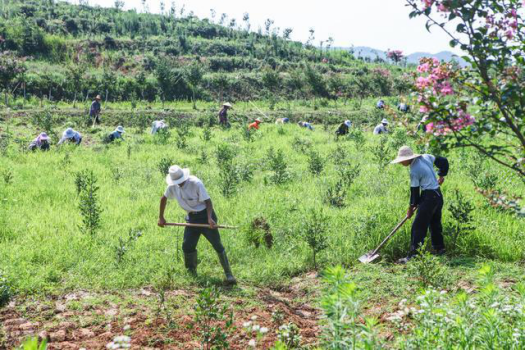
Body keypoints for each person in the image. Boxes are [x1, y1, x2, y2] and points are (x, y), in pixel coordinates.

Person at [158, 165, 237, 285]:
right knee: (187, 246)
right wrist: (161, 217)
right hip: (191, 218)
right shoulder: (172, 187)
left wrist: (210, 218)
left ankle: (228, 274)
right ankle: (192, 272)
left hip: (205, 216)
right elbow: (163, 199)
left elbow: (208, 201)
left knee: (217, 244)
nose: (179, 184)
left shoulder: (196, 183)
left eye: (181, 181)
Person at [390, 146, 449, 264]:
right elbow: (443, 161)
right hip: (437, 195)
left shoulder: (414, 170)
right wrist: (441, 175)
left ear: (409, 158)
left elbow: (415, 191)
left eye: (402, 160)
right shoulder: (426, 156)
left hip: (429, 197)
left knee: (418, 227)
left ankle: (413, 257)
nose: (401, 163)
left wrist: (411, 208)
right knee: (435, 223)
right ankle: (440, 249)